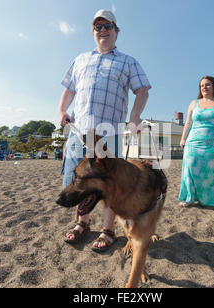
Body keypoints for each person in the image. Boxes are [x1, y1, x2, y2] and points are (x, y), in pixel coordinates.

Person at [58, 9, 151, 252]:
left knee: (110, 183)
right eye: (98, 27)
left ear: (116, 31)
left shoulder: (128, 61)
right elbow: (69, 89)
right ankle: (82, 224)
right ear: (93, 32)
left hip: (110, 134)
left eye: (107, 26)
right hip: (79, 132)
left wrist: (135, 116)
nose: (102, 30)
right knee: (77, 179)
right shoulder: (80, 59)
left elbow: (142, 90)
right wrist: (61, 111)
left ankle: (107, 229)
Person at [178, 76, 214, 212]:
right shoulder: (193, 103)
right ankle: (189, 198)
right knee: (190, 168)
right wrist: (183, 138)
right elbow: (188, 123)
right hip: (193, 143)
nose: (204, 87)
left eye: (207, 85)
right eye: (202, 85)